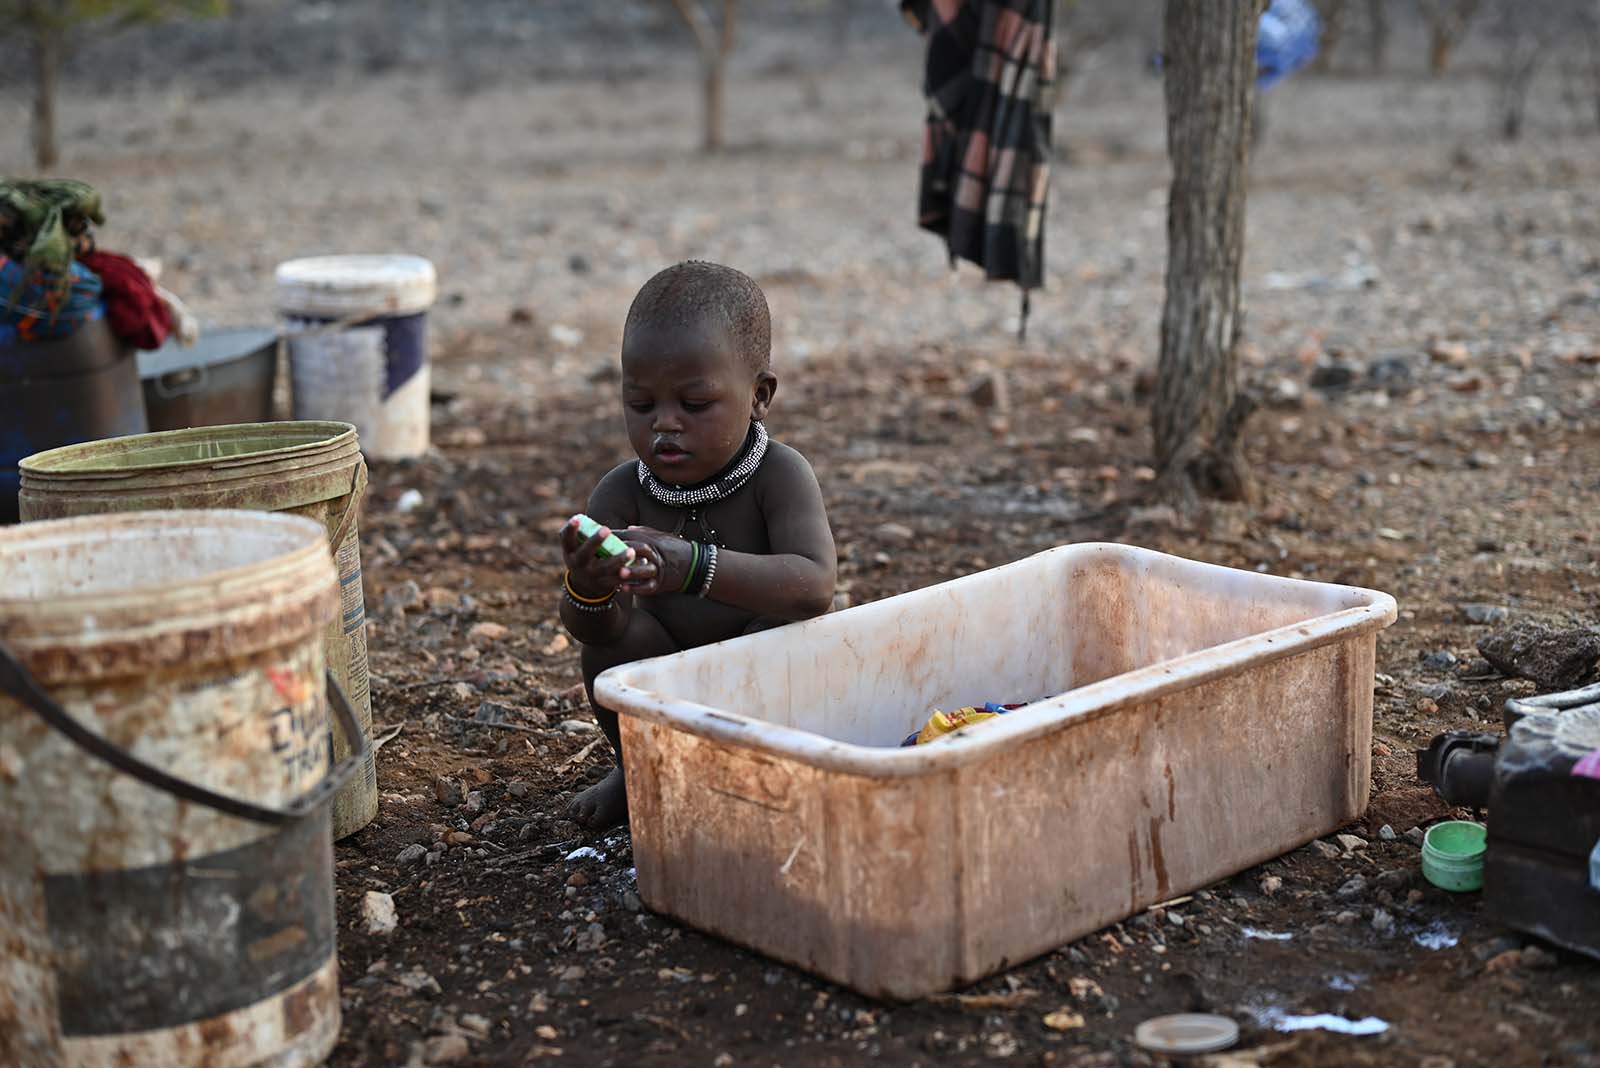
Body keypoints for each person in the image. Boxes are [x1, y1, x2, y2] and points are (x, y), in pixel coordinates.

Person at [557, 261, 837, 830]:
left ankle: (766, 771)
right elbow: (598, 632)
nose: (665, 424)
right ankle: (635, 768)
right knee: (612, 650)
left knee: (791, 635)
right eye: (641, 406)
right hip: (666, 669)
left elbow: (814, 585)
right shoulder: (621, 493)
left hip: (760, 674)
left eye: (695, 404)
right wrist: (589, 588)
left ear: (759, 396)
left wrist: (695, 568)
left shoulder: (779, 476)